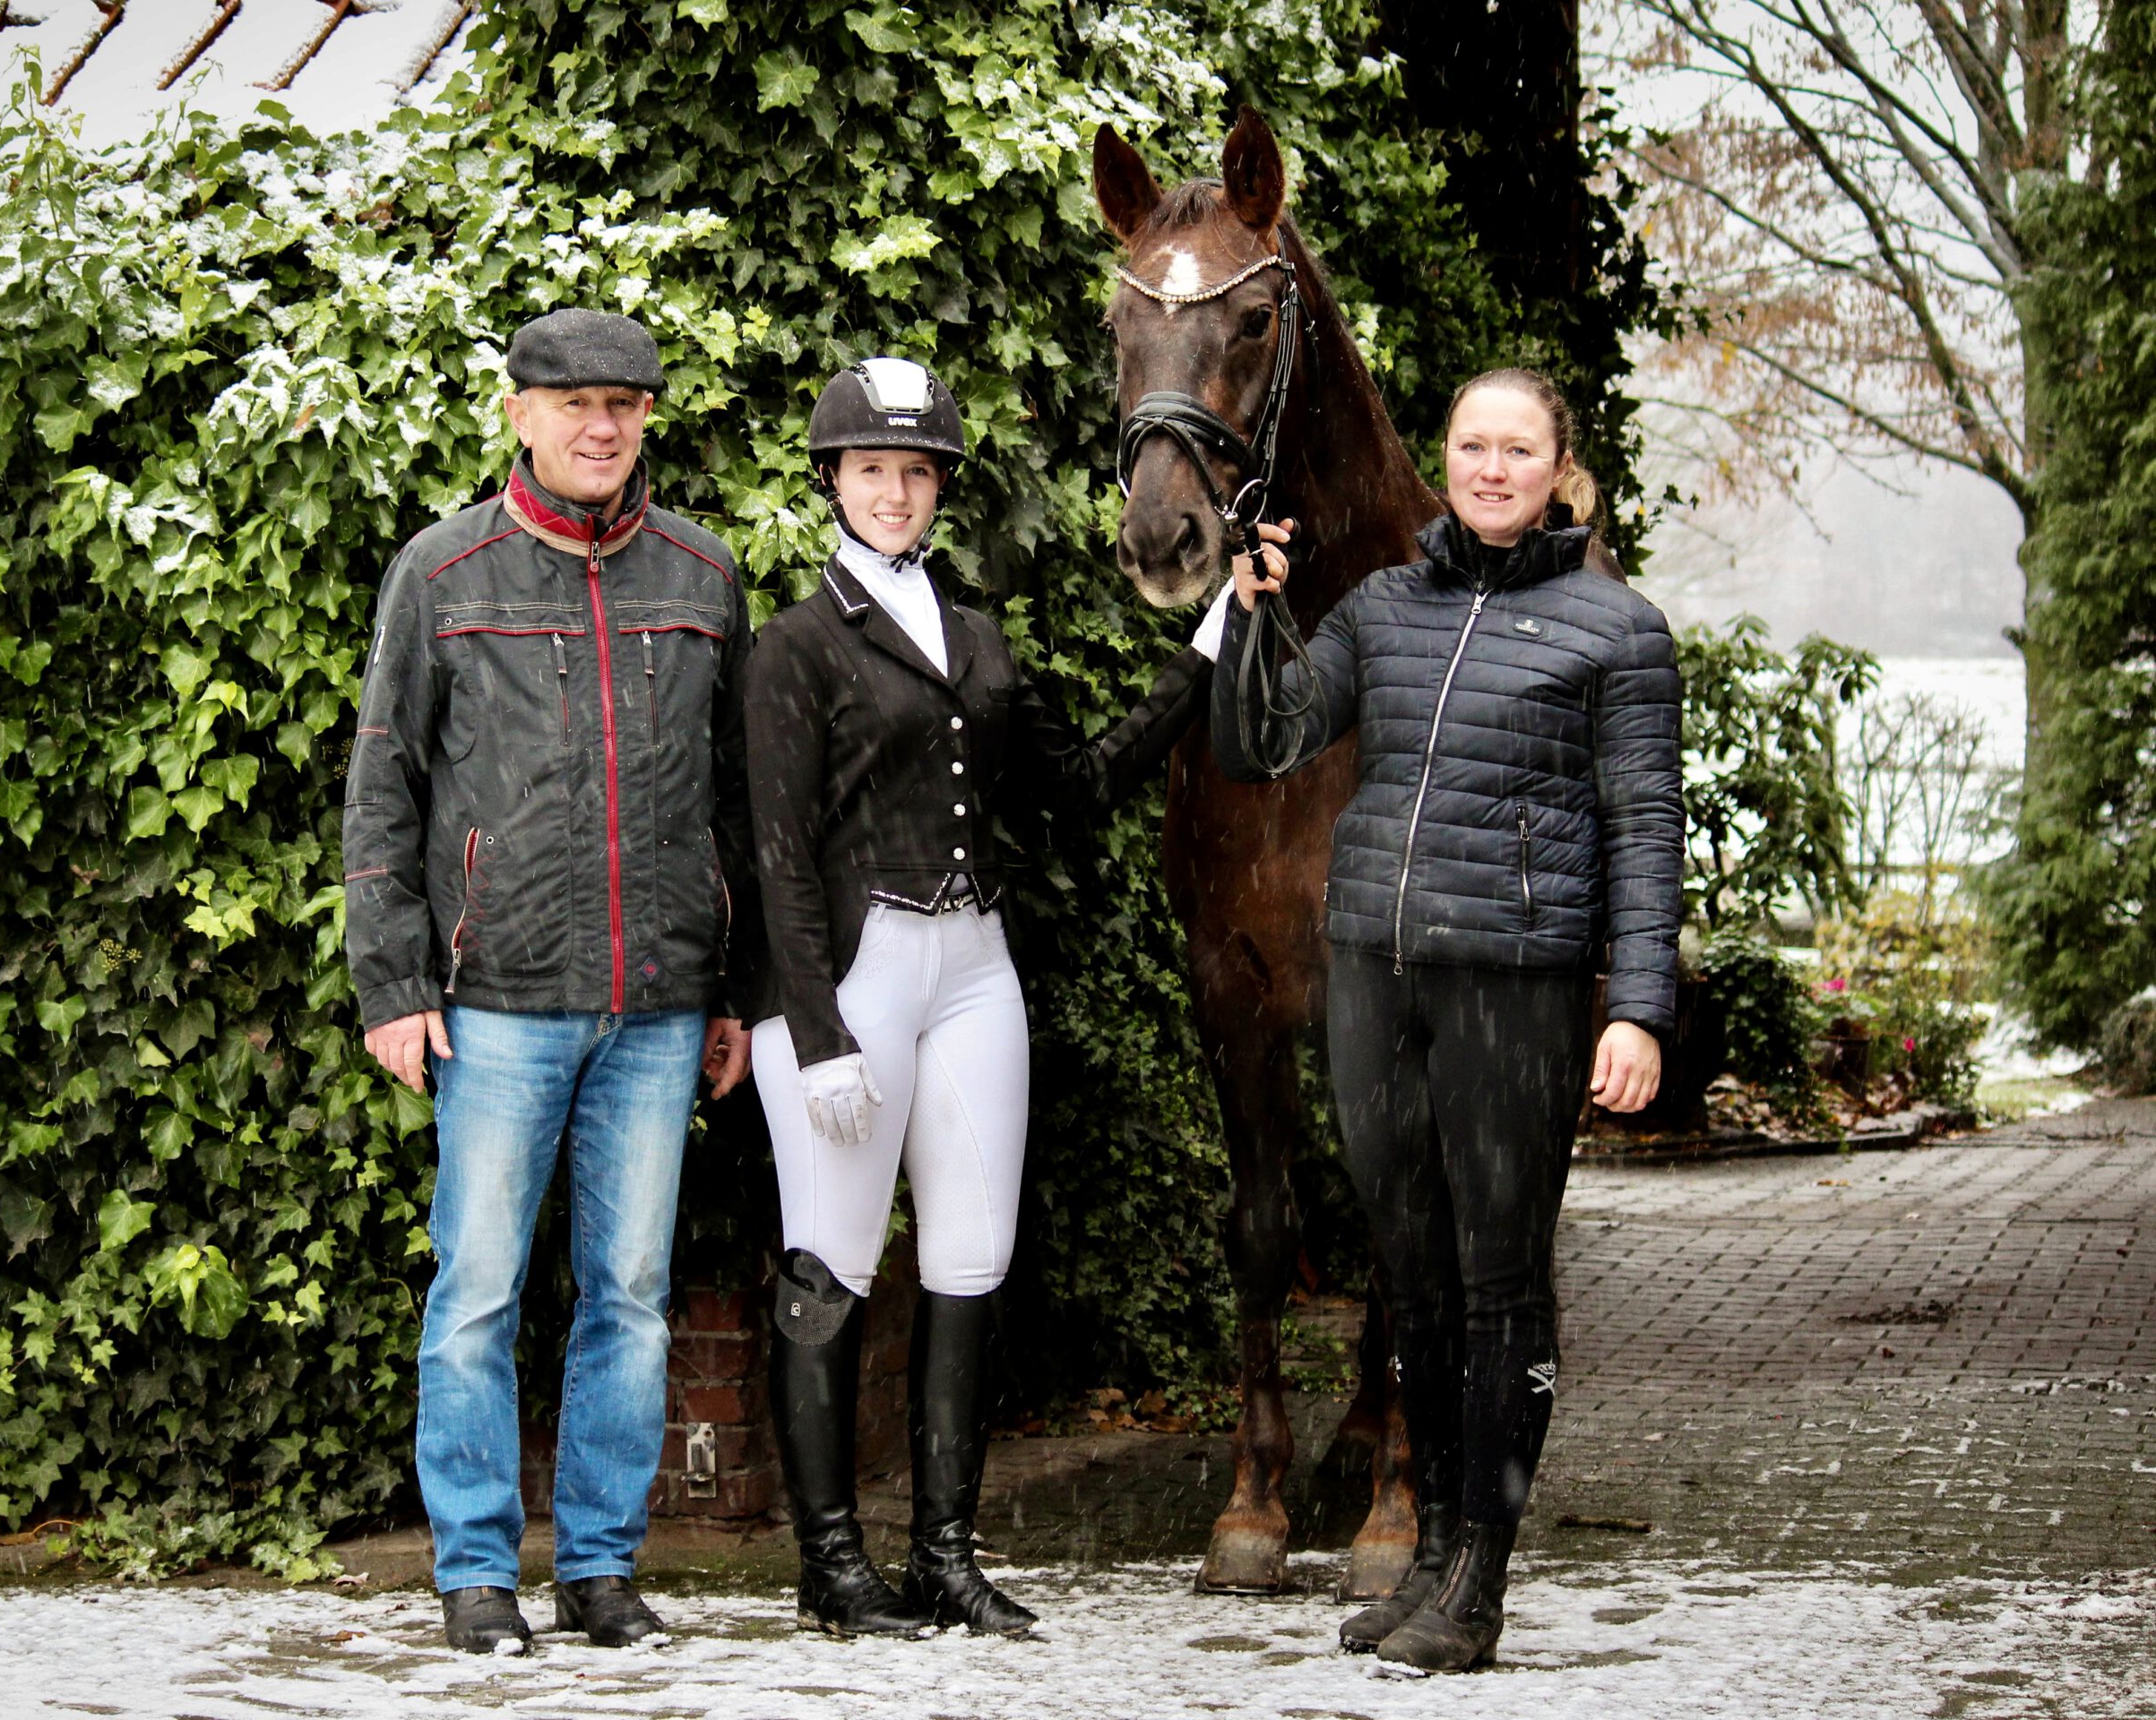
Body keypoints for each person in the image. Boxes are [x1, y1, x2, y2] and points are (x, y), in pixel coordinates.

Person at [744, 357, 1284, 1638]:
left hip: (975, 965)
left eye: (915, 471)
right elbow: (769, 854)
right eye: (872, 469)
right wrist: (815, 1035)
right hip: (852, 980)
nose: (894, 491)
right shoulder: (794, 645)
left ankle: (945, 1554)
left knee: (971, 1260)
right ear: (833, 481)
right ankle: (832, 1568)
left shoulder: (975, 636)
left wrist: (1214, 637)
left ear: (938, 489)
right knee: (828, 1264)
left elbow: (1085, 782)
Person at [1212, 366, 1684, 1674]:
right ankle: (1427, 1558)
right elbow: (1269, 740)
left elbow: (1647, 832)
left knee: (1498, 1286)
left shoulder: (1616, 630)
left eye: (1516, 449)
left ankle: (1482, 1573)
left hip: (1516, 986)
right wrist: (1253, 614)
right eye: (1471, 446)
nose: (1490, 469)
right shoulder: (1383, 607)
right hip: (1376, 973)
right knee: (1407, 1277)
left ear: (1556, 470)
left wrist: (1636, 1007)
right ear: (1447, 458)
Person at [343, 310, 760, 1655]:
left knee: (629, 1295)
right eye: (576, 402)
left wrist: (734, 989)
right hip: (495, 1002)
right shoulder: (444, 572)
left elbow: (739, 806)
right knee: (475, 1289)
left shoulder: (702, 575)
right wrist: (393, 984)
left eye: (627, 406)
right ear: (518, 412)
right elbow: (382, 789)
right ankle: (474, 1571)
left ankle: (598, 1569)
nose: (602, 427)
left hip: (659, 1011)